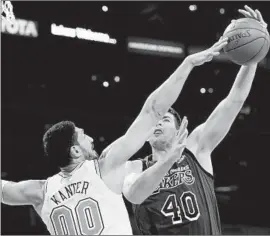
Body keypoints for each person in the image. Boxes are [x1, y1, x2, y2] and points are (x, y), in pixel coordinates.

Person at [1, 26, 227, 235]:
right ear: (75, 152)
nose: (91, 138)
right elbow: (152, 111)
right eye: (83, 136)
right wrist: (187, 64)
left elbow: (4, 191)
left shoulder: (39, 192)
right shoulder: (104, 166)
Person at [122, 6, 267, 235]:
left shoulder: (196, 149)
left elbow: (234, 100)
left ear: (180, 128)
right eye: (156, 119)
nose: (157, 122)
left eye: (165, 119)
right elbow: (134, 194)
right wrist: (167, 161)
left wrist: (253, 56)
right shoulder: (134, 166)